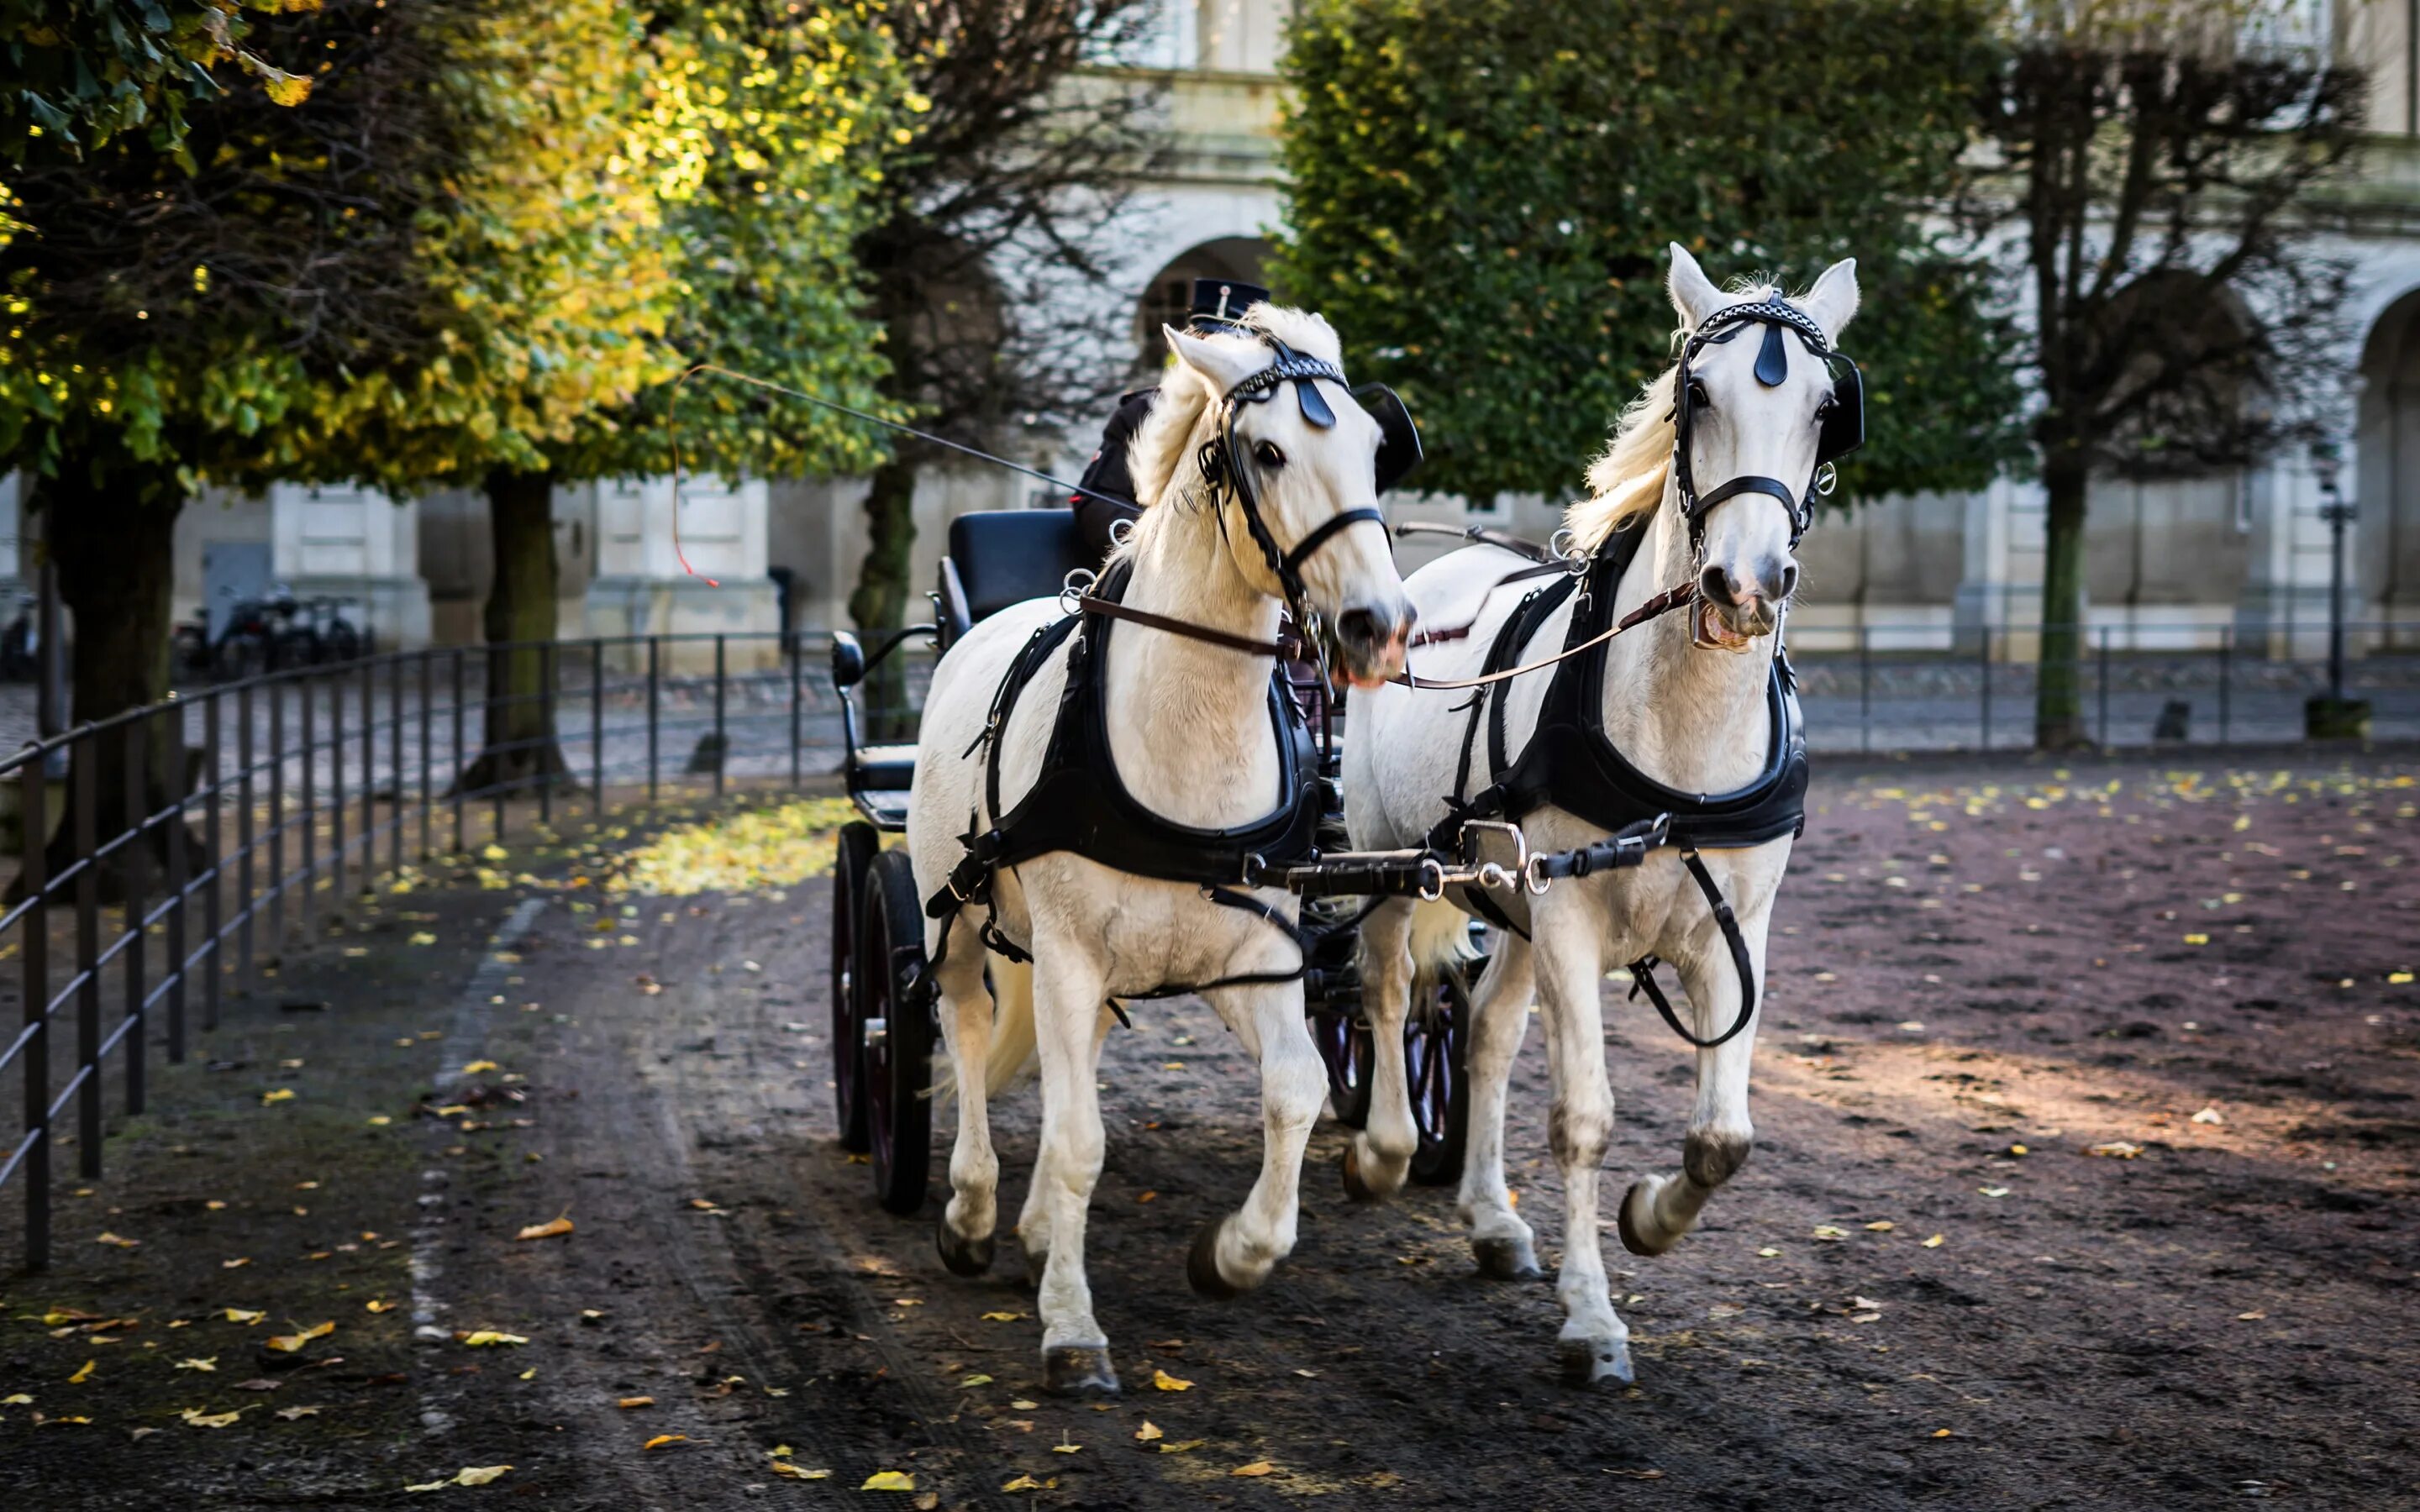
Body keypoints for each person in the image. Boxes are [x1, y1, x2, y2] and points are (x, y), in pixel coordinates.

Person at [1071, 276, 1270, 563]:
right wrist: (1156, 541)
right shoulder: (1142, 412)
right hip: (1151, 573)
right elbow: (1094, 500)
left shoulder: (1268, 424)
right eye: (1203, 346)